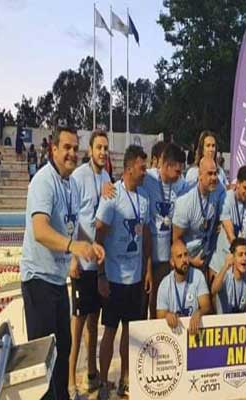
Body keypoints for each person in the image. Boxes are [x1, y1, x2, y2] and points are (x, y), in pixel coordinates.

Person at [20, 126, 105, 400]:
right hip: (38, 279)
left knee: (63, 348)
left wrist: (89, 245)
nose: (71, 153)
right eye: (66, 147)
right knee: (45, 358)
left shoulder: (71, 184)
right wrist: (72, 247)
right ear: (53, 149)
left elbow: (73, 227)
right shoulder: (43, 182)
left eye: (74, 148)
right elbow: (40, 230)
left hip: (57, 280)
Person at [95, 145, 152, 400]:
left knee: (130, 331)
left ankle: (125, 379)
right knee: (110, 330)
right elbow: (99, 236)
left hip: (135, 278)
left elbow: (145, 236)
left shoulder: (144, 198)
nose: (145, 172)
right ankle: (103, 380)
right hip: (114, 278)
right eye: (142, 167)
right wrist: (101, 275)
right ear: (129, 168)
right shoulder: (112, 196)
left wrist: (147, 270)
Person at [68, 130, 113, 399]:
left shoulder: (107, 178)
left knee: (94, 323)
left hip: (97, 264)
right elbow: (71, 218)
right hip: (81, 262)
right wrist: (73, 257)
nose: (103, 152)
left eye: (106, 148)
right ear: (90, 150)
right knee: (77, 326)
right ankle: (70, 381)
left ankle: (92, 373)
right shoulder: (78, 177)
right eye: (99, 147)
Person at [142, 142, 189, 319]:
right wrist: (106, 186)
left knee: (159, 305)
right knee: (142, 306)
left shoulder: (181, 184)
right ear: (167, 165)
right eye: (177, 170)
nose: (179, 175)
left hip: (165, 258)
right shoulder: (148, 178)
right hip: (146, 256)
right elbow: (125, 181)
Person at [173, 157, 225, 285]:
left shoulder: (217, 192)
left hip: (205, 257)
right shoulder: (186, 202)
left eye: (215, 173)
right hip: (187, 259)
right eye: (210, 174)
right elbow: (176, 241)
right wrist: (191, 260)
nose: (214, 178)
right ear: (200, 176)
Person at [210, 166, 246, 284]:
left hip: (238, 263)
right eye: (245, 187)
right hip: (221, 262)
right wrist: (241, 256)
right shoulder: (226, 198)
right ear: (237, 184)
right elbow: (230, 233)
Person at [156, 239, 211, 333]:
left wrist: (199, 312)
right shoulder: (165, 284)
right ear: (172, 262)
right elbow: (159, 315)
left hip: (194, 331)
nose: (184, 260)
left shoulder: (198, 276)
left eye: (186, 255)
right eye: (179, 256)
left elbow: (206, 306)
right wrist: (167, 315)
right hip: (175, 333)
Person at [211, 238, 246, 314]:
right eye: (240, 255)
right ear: (233, 258)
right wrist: (225, 266)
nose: (245, 258)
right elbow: (213, 290)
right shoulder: (225, 275)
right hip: (223, 320)